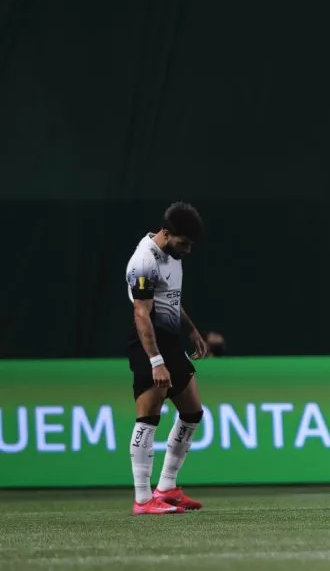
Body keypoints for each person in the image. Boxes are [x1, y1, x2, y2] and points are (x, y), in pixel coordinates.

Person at [124, 202, 209, 515]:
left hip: (171, 341)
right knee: (149, 417)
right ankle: (144, 499)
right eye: (183, 243)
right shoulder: (143, 261)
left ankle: (168, 486)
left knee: (192, 413)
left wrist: (192, 331)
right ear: (167, 234)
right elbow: (141, 313)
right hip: (148, 344)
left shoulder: (173, 256)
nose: (187, 250)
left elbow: (172, 299)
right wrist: (155, 360)